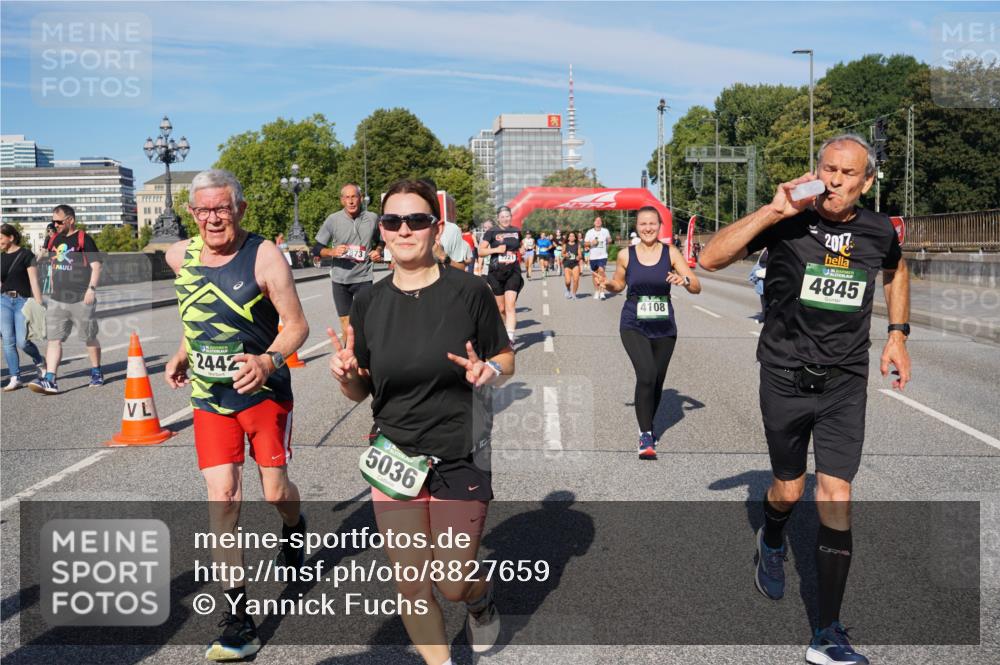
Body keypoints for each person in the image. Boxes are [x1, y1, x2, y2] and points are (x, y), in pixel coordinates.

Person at [700, 134, 911, 665]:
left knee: (836, 495)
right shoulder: (790, 219)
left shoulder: (879, 229)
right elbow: (708, 258)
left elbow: (896, 269)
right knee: (789, 491)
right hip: (785, 375)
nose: (836, 180)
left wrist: (898, 334)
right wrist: (771, 211)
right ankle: (771, 539)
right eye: (828, 169)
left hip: (844, 380)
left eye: (847, 173)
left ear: (867, 182)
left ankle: (827, 633)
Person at [329, 179, 514, 665]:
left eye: (417, 220)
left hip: (461, 450)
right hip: (396, 454)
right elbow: (361, 387)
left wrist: (487, 370)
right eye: (392, 221)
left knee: (452, 582)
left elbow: (505, 358)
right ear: (381, 231)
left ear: (437, 228)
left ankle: (478, 598)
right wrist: (348, 375)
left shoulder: (469, 290)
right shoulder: (367, 301)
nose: (404, 229)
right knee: (411, 583)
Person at [162, 169, 309, 661]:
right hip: (209, 399)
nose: (212, 218)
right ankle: (238, 618)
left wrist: (268, 360)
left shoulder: (264, 255)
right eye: (202, 210)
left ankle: (294, 524)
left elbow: (296, 326)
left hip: (263, 394)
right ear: (191, 213)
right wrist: (184, 350)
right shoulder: (178, 256)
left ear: (240, 209)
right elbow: (196, 311)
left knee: (274, 492)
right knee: (223, 498)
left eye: (221, 208)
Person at [600, 207, 700, 458]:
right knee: (646, 374)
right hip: (633, 323)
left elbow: (696, 286)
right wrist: (607, 284)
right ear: (637, 226)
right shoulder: (626, 254)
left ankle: (648, 423)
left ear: (659, 226)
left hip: (664, 326)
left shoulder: (670, 252)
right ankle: (646, 434)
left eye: (652, 224)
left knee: (656, 380)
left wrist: (684, 280)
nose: (647, 228)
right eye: (643, 224)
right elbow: (619, 284)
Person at [29, 205, 104, 394]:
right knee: (54, 340)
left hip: (81, 297)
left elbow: (96, 266)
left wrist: (91, 290)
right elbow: (48, 258)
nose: (56, 224)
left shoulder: (83, 239)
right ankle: (50, 379)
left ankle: (96, 371)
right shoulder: (54, 238)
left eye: (59, 221)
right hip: (57, 299)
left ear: (70, 220)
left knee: (88, 337)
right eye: (54, 221)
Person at [312, 183, 382, 342]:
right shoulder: (333, 220)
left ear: (361, 198)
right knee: (346, 324)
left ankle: (367, 357)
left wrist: (377, 251)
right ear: (342, 200)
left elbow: (381, 241)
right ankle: (351, 358)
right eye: (347, 197)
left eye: (354, 197)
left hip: (364, 278)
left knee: (365, 321)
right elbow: (316, 249)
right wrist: (331, 252)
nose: (351, 201)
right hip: (340, 280)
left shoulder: (372, 218)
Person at [1, 223, 46, 390]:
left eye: (0, 238)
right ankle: (15, 377)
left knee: (22, 342)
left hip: (22, 301)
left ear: (11, 237)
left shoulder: (26, 254)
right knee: (8, 341)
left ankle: (39, 360)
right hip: (3, 301)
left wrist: (39, 302)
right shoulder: (1, 257)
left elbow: (34, 280)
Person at [479, 206, 524, 344]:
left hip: (513, 272)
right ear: (498, 218)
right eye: (503, 217)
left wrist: (521, 250)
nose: (505, 219)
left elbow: (520, 246)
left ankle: (509, 338)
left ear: (511, 216)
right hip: (496, 273)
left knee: (510, 305)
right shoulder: (491, 232)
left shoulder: (516, 231)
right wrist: (496, 249)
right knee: (501, 308)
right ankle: (505, 329)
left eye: (508, 216)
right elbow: (481, 251)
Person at [585, 216, 612, 299]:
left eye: (599, 220)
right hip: (593, 256)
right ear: (594, 223)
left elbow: (609, 239)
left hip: (603, 256)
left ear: (601, 222)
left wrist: (609, 240)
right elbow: (585, 244)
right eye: (596, 220)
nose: (598, 222)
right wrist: (591, 243)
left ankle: (602, 292)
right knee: (595, 275)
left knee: (601, 271)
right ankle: (597, 291)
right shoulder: (589, 232)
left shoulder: (605, 231)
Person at [748, 248, 769, 321]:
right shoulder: (765, 249)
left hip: (769, 274)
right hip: (762, 276)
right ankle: (764, 314)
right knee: (762, 295)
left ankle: (767, 315)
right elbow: (759, 262)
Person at [561, 231, 583, 299]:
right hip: (567, 264)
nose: (571, 237)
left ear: (575, 237)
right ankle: (568, 289)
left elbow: (580, 255)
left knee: (576, 280)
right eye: (570, 236)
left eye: (573, 236)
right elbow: (562, 253)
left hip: (575, 264)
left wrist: (578, 257)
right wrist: (565, 255)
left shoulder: (577, 245)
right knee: (568, 281)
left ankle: (574, 294)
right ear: (568, 238)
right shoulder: (565, 245)